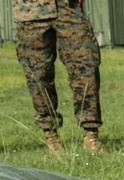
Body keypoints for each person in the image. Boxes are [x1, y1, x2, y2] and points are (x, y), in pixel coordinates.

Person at [13, 0, 104, 155]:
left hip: (69, 7)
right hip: (31, 11)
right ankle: (50, 134)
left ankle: (91, 134)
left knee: (86, 67)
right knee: (38, 75)